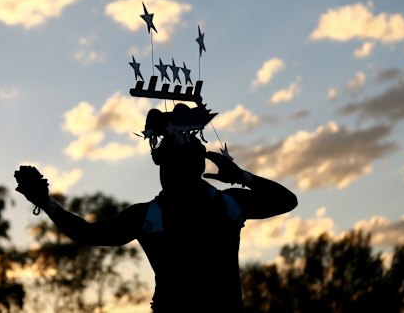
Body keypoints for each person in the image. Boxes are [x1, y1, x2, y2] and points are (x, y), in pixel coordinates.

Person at [15, 104, 298, 312]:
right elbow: (286, 200)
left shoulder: (150, 216)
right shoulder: (229, 204)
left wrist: (47, 204)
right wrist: (241, 176)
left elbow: (87, 233)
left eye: (168, 164)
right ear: (200, 165)